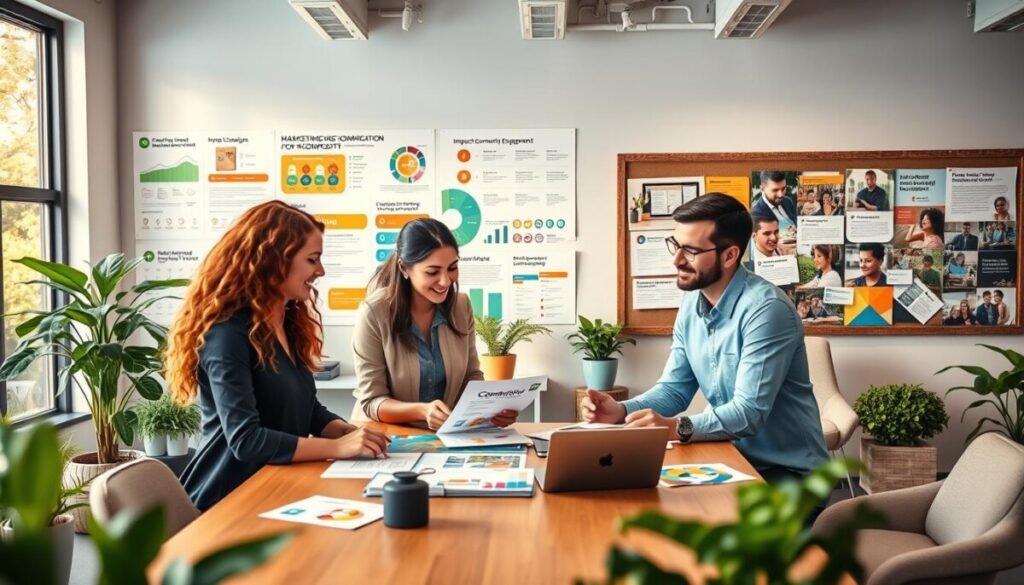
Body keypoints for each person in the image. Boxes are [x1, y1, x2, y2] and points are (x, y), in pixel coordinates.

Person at [580, 193, 827, 486]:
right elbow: (675, 390)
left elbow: (748, 413)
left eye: (690, 250)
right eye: (675, 245)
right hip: (729, 459)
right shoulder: (691, 304)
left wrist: (677, 427)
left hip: (788, 473)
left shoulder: (767, 310)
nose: (676, 259)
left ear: (730, 255)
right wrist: (621, 411)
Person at [166, 201, 391, 511]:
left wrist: (344, 431)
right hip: (227, 499)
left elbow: (304, 408)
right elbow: (246, 440)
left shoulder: (288, 323)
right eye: (312, 260)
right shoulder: (225, 334)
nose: (320, 271)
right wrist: (337, 447)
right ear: (274, 261)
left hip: (276, 486)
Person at [351, 218, 517, 430]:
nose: (445, 281)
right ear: (404, 268)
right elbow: (371, 401)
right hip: (386, 438)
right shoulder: (374, 313)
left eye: (452, 268)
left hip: (444, 436)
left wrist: (491, 409)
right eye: (432, 272)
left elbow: (471, 376)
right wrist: (423, 411)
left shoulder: (461, 305)